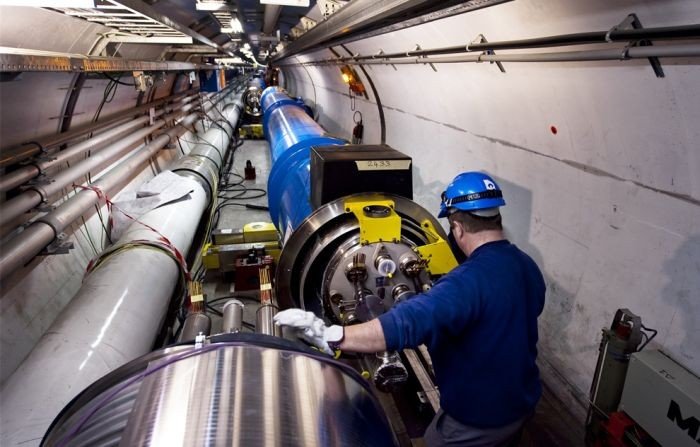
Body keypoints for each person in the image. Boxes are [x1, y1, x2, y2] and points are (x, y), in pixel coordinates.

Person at [275, 171, 546, 446]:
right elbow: (518, 314)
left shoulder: (464, 283)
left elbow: (402, 325)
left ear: (458, 227)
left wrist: (332, 335)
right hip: (522, 403)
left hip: (477, 418)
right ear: (496, 218)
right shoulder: (527, 266)